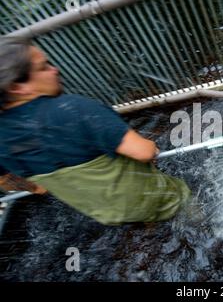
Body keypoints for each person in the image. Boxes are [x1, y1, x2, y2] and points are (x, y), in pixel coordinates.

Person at [0, 37, 191, 225]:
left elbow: (26, 186)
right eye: (43, 67)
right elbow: (144, 152)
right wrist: (150, 146)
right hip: (159, 199)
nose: (54, 70)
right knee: (187, 204)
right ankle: (198, 219)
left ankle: (149, 224)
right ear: (17, 87)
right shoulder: (73, 110)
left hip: (108, 214)